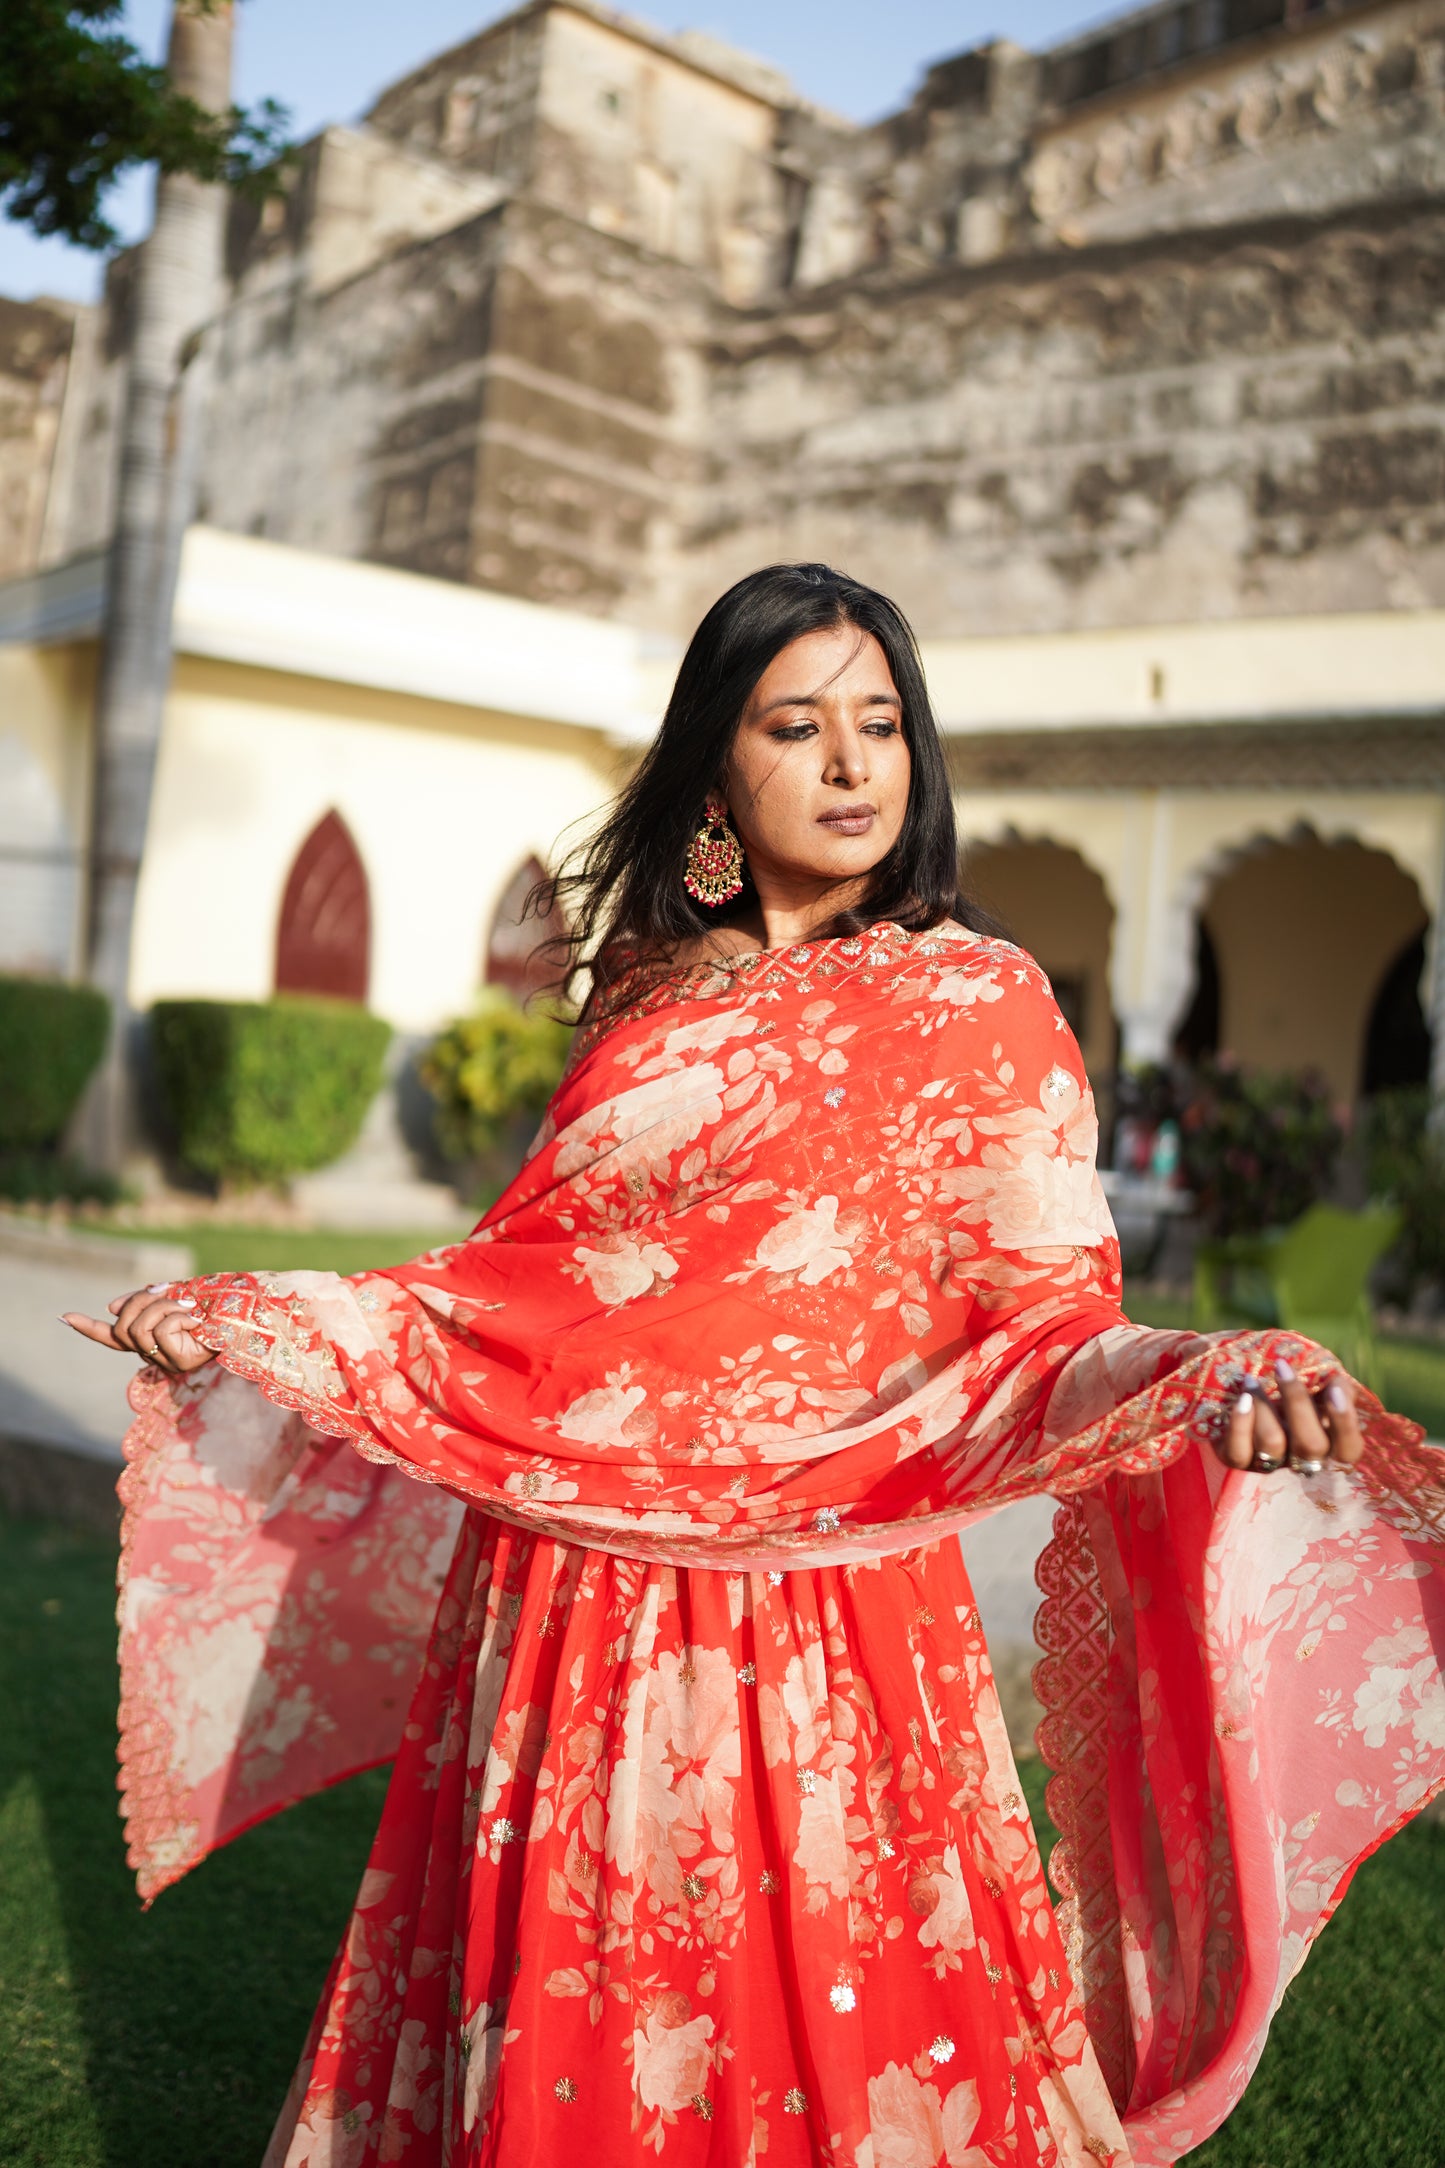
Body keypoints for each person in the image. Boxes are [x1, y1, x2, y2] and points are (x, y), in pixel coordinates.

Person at [66, 565, 1442, 2168]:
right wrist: (264, 1315)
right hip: (571, 1602)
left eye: (882, 724)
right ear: (715, 768)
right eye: (798, 726)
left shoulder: (974, 1003)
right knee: (576, 1997)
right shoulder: (646, 1007)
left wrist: (1205, 1372)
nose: (854, 765)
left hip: (828, 1613)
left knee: (829, 2009)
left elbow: (1049, 1326)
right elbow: (517, 1300)